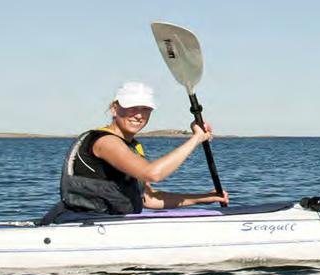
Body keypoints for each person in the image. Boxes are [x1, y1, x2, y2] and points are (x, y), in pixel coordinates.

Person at [41, 81, 228, 224]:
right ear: (115, 109)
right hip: (82, 224)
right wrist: (195, 139)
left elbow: (149, 199)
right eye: (132, 107)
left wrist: (204, 198)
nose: (139, 115)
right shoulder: (104, 141)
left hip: (108, 224)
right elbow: (153, 173)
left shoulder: (131, 147)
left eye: (145, 109)